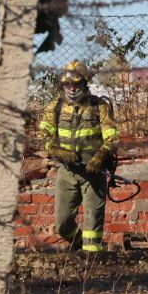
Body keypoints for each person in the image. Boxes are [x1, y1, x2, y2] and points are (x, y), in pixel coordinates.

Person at [39, 60, 119, 253]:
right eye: (68, 85)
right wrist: (57, 151)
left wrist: (100, 157)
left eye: (76, 84)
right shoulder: (55, 107)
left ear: (85, 83)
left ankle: (94, 262)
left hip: (94, 171)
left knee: (93, 223)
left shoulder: (99, 106)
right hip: (67, 172)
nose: (72, 88)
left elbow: (113, 138)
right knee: (63, 223)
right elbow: (44, 137)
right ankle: (79, 245)